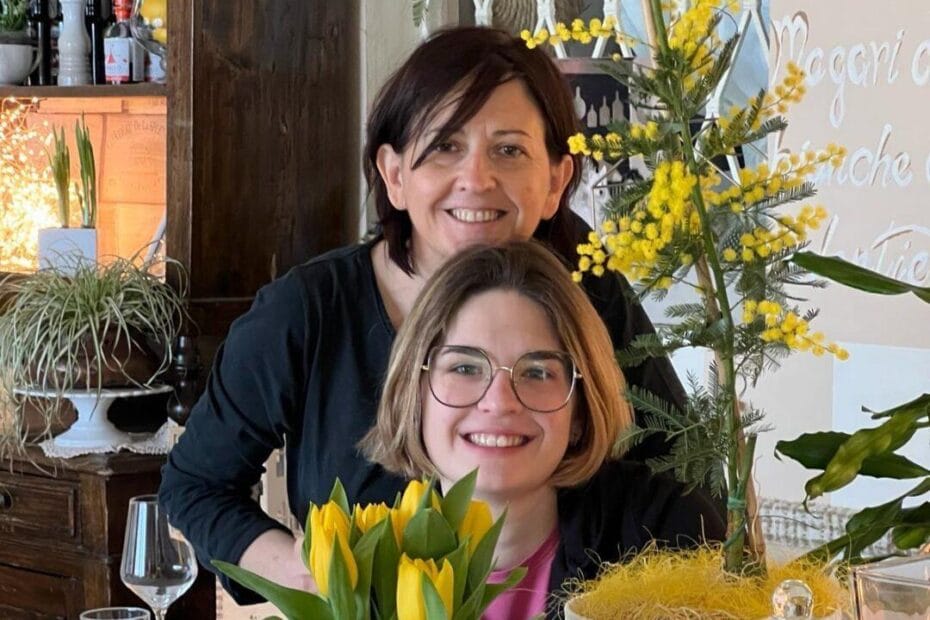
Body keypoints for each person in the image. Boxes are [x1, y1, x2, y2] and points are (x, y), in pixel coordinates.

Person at [159, 26, 695, 602]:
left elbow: (680, 471)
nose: (477, 179)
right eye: (444, 146)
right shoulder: (307, 312)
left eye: (509, 150)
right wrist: (318, 580)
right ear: (394, 175)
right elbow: (195, 486)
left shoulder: (591, 297)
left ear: (555, 182)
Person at [361, 241, 725, 620]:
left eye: (537, 372)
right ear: (414, 394)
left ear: (580, 409)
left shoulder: (668, 531)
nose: (499, 401)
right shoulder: (367, 562)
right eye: (465, 368)